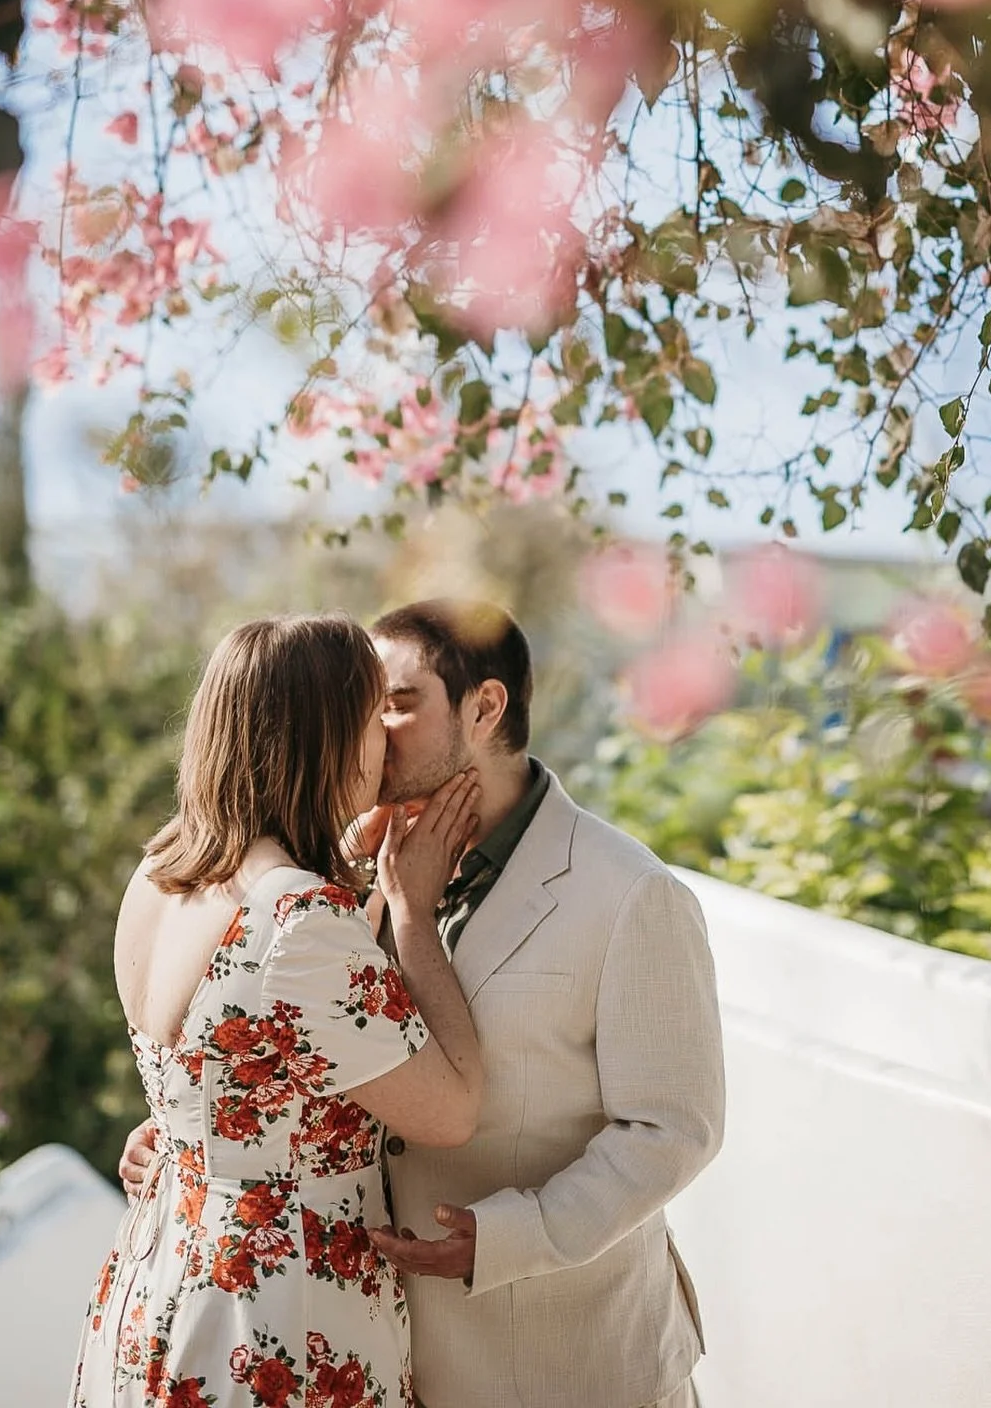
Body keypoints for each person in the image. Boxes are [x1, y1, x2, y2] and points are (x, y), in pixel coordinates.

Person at [123, 599, 725, 1408]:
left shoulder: (631, 894)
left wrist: (515, 1236)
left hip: (560, 1362)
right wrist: (191, 1133)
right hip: (365, 1351)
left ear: (484, 709)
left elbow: (674, 1128)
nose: (373, 729)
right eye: (362, 707)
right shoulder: (324, 878)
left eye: (396, 704)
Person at [76, 612, 483, 1408]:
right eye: (373, 721)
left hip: (159, 1284)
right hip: (275, 1318)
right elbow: (455, 1108)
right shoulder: (298, 923)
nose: (386, 743)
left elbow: (245, 1054)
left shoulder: (159, 872)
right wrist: (412, 912)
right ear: (325, 740)